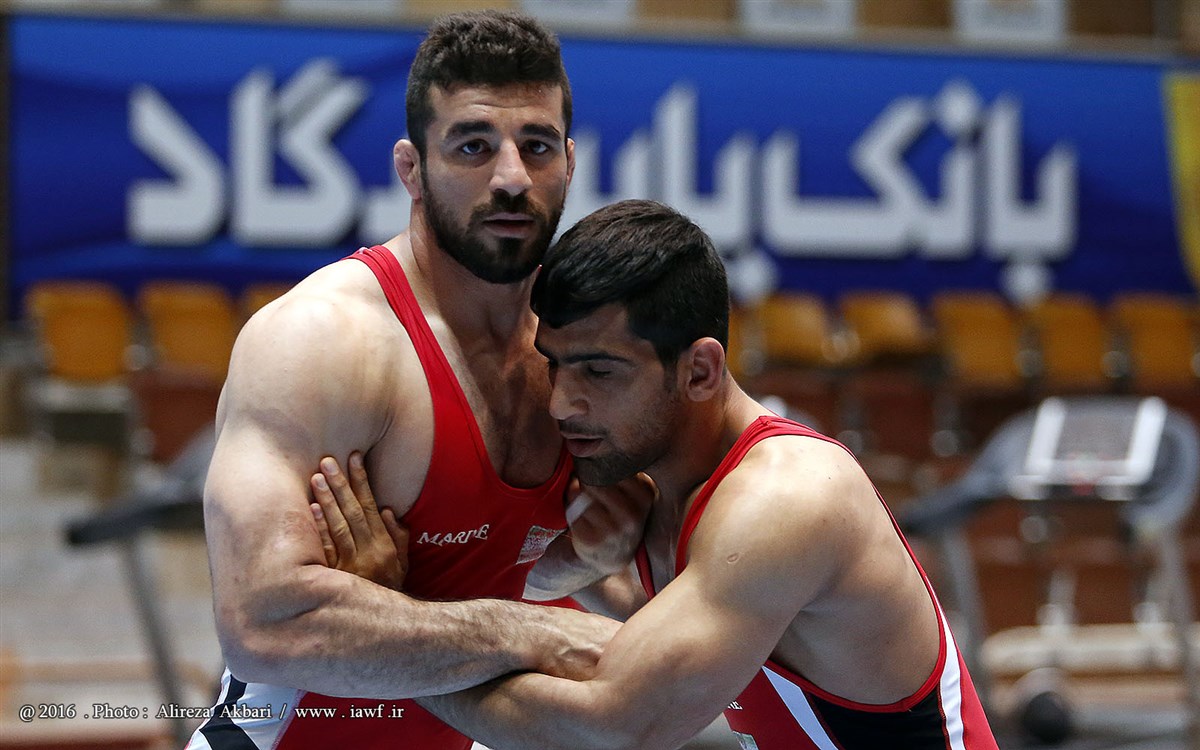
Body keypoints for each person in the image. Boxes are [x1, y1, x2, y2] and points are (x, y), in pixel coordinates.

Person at [314, 199, 1000, 749]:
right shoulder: (647, 484)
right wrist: (577, 568)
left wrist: (390, 631)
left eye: (599, 371)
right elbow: (596, 619)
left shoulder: (787, 498)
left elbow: (614, 727)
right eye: (555, 364)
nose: (561, 403)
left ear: (700, 370)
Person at [188, 11, 647, 750]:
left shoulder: (581, 354)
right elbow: (262, 625)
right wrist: (533, 630)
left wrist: (583, 569)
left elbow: (605, 592)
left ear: (569, 161)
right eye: (473, 146)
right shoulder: (324, 340)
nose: (511, 178)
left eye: (536, 147)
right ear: (411, 168)